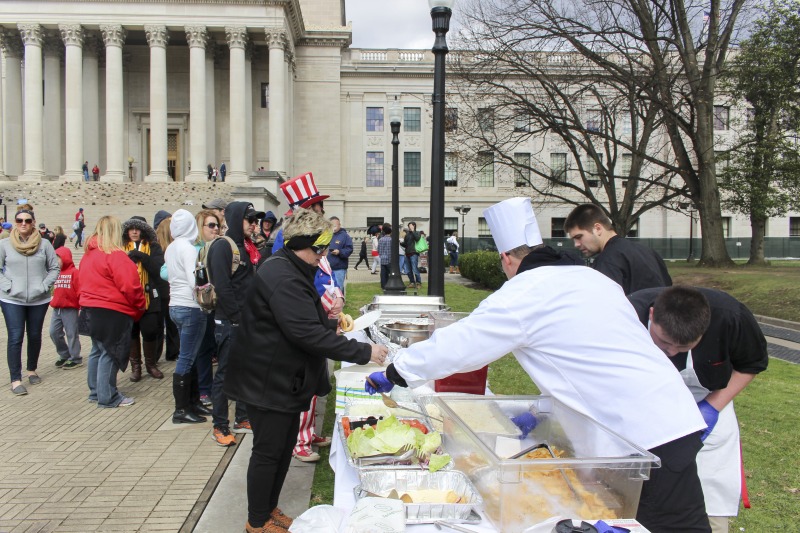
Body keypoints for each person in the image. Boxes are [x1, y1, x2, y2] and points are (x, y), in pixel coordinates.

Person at [366, 197, 711, 532]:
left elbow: (462, 343)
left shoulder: (525, 293)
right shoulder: (592, 279)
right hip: (668, 417)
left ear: (506, 258)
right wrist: (541, 410)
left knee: (663, 525)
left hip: (642, 439)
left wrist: (397, 371)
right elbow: (582, 362)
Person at [223, 207, 389, 533]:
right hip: (267, 380)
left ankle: (268, 509)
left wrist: (329, 322)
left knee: (283, 450)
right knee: (269, 453)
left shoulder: (289, 266)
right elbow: (304, 333)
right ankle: (256, 522)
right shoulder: (283, 275)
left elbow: (300, 320)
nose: (323, 256)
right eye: (319, 249)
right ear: (303, 244)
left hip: (280, 378)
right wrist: (364, 351)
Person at [628, 286, 769, 533]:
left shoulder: (731, 316)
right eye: (663, 342)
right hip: (644, 407)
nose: (671, 352)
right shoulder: (626, 314)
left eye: (682, 348)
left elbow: (751, 364)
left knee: (709, 492)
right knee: (641, 493)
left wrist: (711, 408)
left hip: (709, 401)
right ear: (651, 315)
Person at [275, 172, 345, 462]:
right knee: (304, 380)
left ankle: (308, 431)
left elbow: (324, 269)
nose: (321, 210)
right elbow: (300, 278)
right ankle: (299, 440)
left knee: (316, 380)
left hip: (322, 314)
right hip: (307, 319)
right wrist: (327, 300)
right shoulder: (289, 238)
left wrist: (337, 295)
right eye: (316, 206)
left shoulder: (318, 235)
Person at [207, 202, 263, 444]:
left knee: (244, 372)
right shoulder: (223, 246)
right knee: (225, 375)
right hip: (230, 322)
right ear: (236, 218)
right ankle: (220, 425)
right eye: (249, 219)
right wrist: (237, 319)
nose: (254, 225)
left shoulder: (247, 246)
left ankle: (242, 417)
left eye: (256, 220)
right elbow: (223, 286)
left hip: (245, 321)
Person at [79, 216, 146, 408]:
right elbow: (131, 286)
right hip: (111, 310)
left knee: (97, 350)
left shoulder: (89, 254)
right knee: (110, 353)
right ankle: (107, 396)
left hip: (91, 308)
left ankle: (96, 391)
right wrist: (140, 305)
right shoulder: (115, 255)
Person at [0, 207, 60, 395]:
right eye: (19, 221)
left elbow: (54, 268)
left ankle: (31, 369)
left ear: (33, 222)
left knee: (34, 335)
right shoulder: (4, 244)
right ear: (15, 223)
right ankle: (16, 379)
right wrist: (8, 286)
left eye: (27, 220)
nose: (23, 224)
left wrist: (43, 286)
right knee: (16, 337)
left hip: (38, 298)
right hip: (12, 298)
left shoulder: (44, 244)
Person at [564, 203, 672, 294]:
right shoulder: (648, 252)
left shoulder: (607, 261)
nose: (576, 244)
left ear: (597, 229)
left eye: (579, 237)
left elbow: (605, 306)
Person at [166, 209, 209, 424]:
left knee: (188, 354)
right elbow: (196, 283)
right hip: (190, 306)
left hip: (175, 304)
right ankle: (181, 409)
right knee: (187, 357)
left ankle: (192, 402)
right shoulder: (189, 249)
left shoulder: (172, 247)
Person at [122, 216, 165, 382]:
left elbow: (158, 270)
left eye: (137, 228)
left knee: (150, 330)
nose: (134, 232)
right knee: (132, 332)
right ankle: (136, 367)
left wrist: (142, 257)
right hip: (129, 298)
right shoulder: (122, 248)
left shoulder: (153, 247)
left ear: (143, 231)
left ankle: (151, 364)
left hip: (150, 295)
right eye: (131, 228)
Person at [193, 209, 222, 408]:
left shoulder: (217, 246)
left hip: (214, 306)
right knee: (202, 350)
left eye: (217, 225)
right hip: (199, 306)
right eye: (211, 225)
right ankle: (203, 390)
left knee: (212, 347)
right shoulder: (195, 249)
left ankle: (208, 387)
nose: (216, 229)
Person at [50, 247, 82, 369]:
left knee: (71, 333)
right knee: (53, 332)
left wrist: (81, 306)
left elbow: (80, 290)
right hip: (57, 308)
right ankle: (64, 354)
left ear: (65, 258)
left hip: (70, 308)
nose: (56, 261)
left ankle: (75, 358)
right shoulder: (55, 272)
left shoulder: (75, 272)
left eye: (58, 258)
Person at [154, 211, 179, 362]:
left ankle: (155, 356)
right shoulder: (172, 248)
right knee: (171, 325)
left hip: (161, 291)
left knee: (160, 325)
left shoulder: (156, 248)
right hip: (170, 290)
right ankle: (172, 352)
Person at [327, 216, 353, 295]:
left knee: (338, 287)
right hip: (326, 268)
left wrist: (340, 252)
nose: (333, 227)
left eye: (335, 225)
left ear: (339, 225)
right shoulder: (326, 235)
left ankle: (339, 304)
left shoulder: (345, 236)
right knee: (328, 289)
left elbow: (349, 249)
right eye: (332, 225)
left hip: (339, 268)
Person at [403, 221, 422, 288]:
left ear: (414, 226)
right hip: (407, 253)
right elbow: (405, 244)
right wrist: (400, 243)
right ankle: (412, 282)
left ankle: (418, 283)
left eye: (410, 226)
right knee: (408, 270)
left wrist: (413, 230)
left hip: (414, 253)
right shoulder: (407, 234)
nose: (409, 227)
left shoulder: (417, 233)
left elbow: (417, 239)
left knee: (415, 268)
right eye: (408, 226)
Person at [377, 223, 393, 290]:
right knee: (391, 273)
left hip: (382, 259)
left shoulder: (381, 239)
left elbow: (378, 250)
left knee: (383, 274)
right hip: (389, 259)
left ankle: (383, 286)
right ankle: (391, 284)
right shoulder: (391, 240)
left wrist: (381, 255)